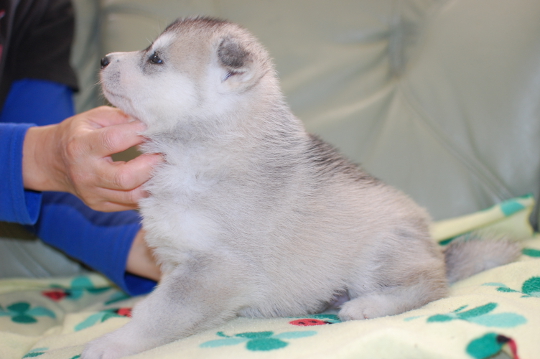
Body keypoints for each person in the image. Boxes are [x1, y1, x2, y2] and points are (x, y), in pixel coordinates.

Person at [0, 0, 161, 295]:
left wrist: (161, 257)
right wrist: (39, 154)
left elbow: (42, 189)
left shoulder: (34, 8)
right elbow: (33, 162)